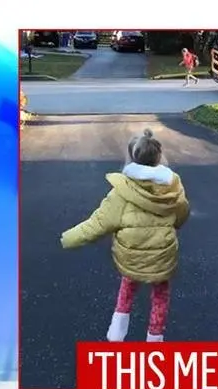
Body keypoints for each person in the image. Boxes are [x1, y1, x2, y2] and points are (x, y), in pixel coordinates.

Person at [60, 129, 190, 342]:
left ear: (131, 158)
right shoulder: (172, 189)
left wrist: (67, 239)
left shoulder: (121, 193)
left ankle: (117, 333)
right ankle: (154, 339)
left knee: (127, 288)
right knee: (160, 296)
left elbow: (97, 224)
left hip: (131, 258)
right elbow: (182, 215)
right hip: (162, 258)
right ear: (159, 157)